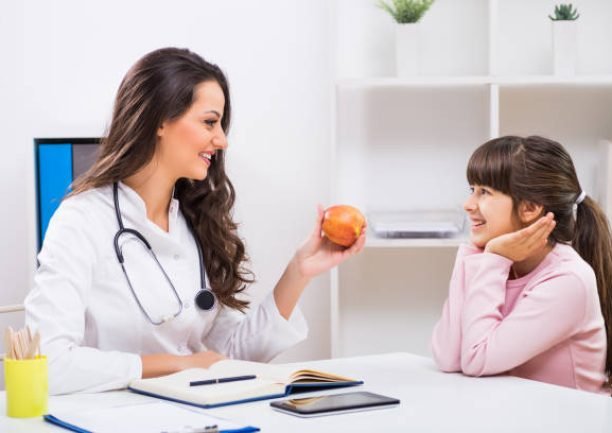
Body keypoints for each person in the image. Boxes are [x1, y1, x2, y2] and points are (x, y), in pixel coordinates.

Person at [25, 47, 366, 395]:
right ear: (160, 120)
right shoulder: (81, 220)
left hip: (196, 413)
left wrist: (299, 271)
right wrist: (179, 365)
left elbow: (231, 356)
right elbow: (49, 364)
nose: (222, 140)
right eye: (209, 122)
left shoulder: (193, 220)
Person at [431, 135, 612, 394]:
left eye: (485, 192)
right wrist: (476, 255)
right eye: (472, 190)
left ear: (529, 208)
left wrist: (492, 259)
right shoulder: (500, 263)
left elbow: (475, 359)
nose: (468, 204)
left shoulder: (568, 280)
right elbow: (448, 357)